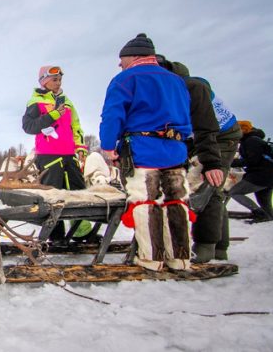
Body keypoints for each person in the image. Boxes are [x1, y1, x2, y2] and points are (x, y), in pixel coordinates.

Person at [99, 33, 193, 271]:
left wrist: (109, 146)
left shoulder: (125, 79)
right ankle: (180, 258)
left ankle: (152, 258)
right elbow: (186, 115)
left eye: (122, 60)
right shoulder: (176, 80)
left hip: (143, 150)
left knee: (145, 201)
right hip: (175, 151)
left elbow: (113, 115)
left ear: (133, 57)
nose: (120, 65)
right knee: (176, 201)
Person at [157, 56, 240, 262]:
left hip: (220, 138)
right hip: (203, 139)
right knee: (214, 191)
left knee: (206, 187)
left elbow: (205, 129)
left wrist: (211, 163)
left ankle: (205, 245)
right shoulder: (171, 89)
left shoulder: (192, 88)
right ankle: (219, 246)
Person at [22, 65, 93, 244]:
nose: (58, 82)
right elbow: (28, 127)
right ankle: (56, 237)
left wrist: (80, 146)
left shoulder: (67, 102)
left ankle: (81, 232)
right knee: (53, 197)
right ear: (44, 81)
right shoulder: (35, 102)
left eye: (60, 79)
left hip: (69, 154)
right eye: (54, 79)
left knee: (79, 193)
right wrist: (53, 114)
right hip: (49, 156)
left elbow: (75, 125)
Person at [228, 121, 273, 222]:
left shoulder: (251, 141)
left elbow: (252, 160)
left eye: (235, 130)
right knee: (265, 204)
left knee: (235, 192)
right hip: (268, 176)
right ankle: (267, 218)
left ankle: (259, 213)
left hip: (260, 176)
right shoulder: (253, 139)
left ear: (243, 130)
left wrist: (230, 162)